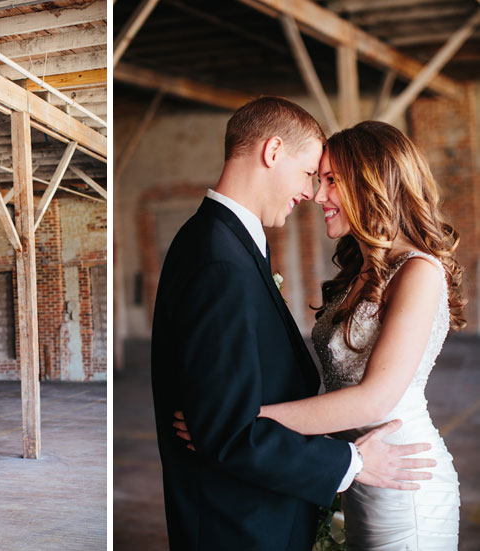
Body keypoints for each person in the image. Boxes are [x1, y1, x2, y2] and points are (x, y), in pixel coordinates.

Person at [151, 97, 436, 550]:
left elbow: (230, 416)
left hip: (391, 474)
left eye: (328, 181)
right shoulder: (219, 258)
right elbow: (228, 429)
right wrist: (348, 463)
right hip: (240, 521)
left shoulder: (226, 244)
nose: (313, 194)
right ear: (273, 151)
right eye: (311, 175)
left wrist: (236, 420)